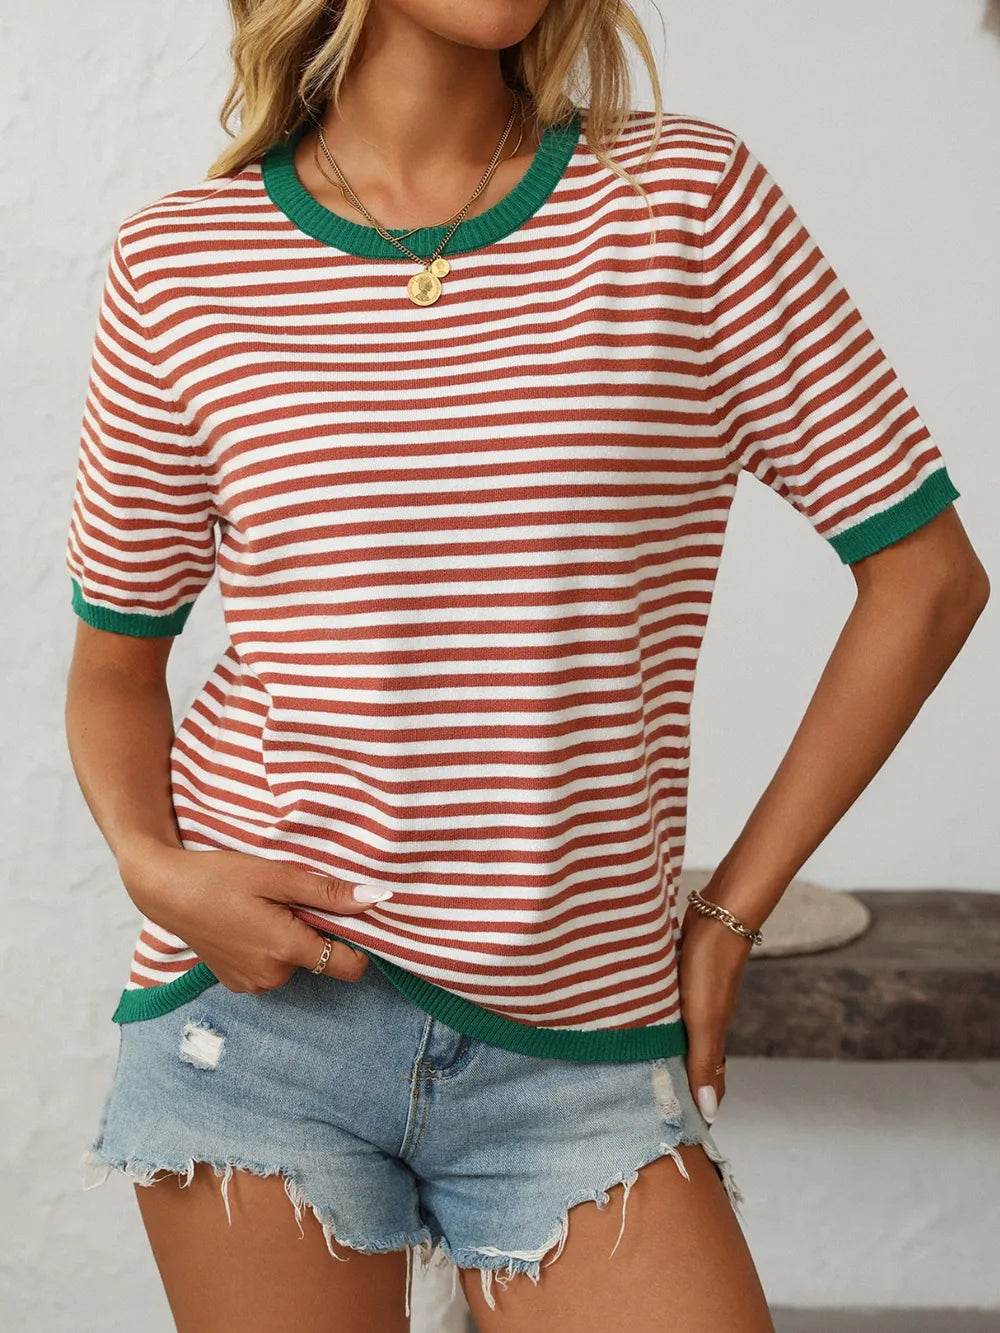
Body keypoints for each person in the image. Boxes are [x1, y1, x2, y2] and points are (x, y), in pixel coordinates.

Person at [64, 2, 989, 1329]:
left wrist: (729, 918)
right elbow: (114, 666)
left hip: (581, 1048)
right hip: (257, 1024)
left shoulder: (685, 205)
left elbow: (927, 579)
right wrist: (156, 868)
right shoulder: (183, 262)